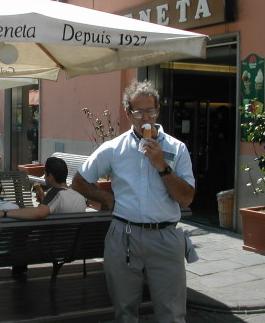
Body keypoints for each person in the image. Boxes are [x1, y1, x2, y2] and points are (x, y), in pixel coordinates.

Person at [71, 80, 195, 323]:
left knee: (171, 312)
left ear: (158, 110)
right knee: (124, 310)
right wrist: (107, 198)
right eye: (138, 111)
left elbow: (186, 197)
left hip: (165, 236)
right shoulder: (114, 148)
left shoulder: (177, 149)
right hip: (123, 234)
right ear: (128, 113)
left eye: (150, 110)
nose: (144, 117)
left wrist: (161, 165)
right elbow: (79, 181)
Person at [0, 156, 87, 220]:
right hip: (73, 247)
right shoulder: (80, 197)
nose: (44, 177)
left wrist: (4, 213)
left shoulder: (56, 193)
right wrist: (44, 201)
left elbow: (39, 212)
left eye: (45, 174)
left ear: (51, 177)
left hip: (55, 246)